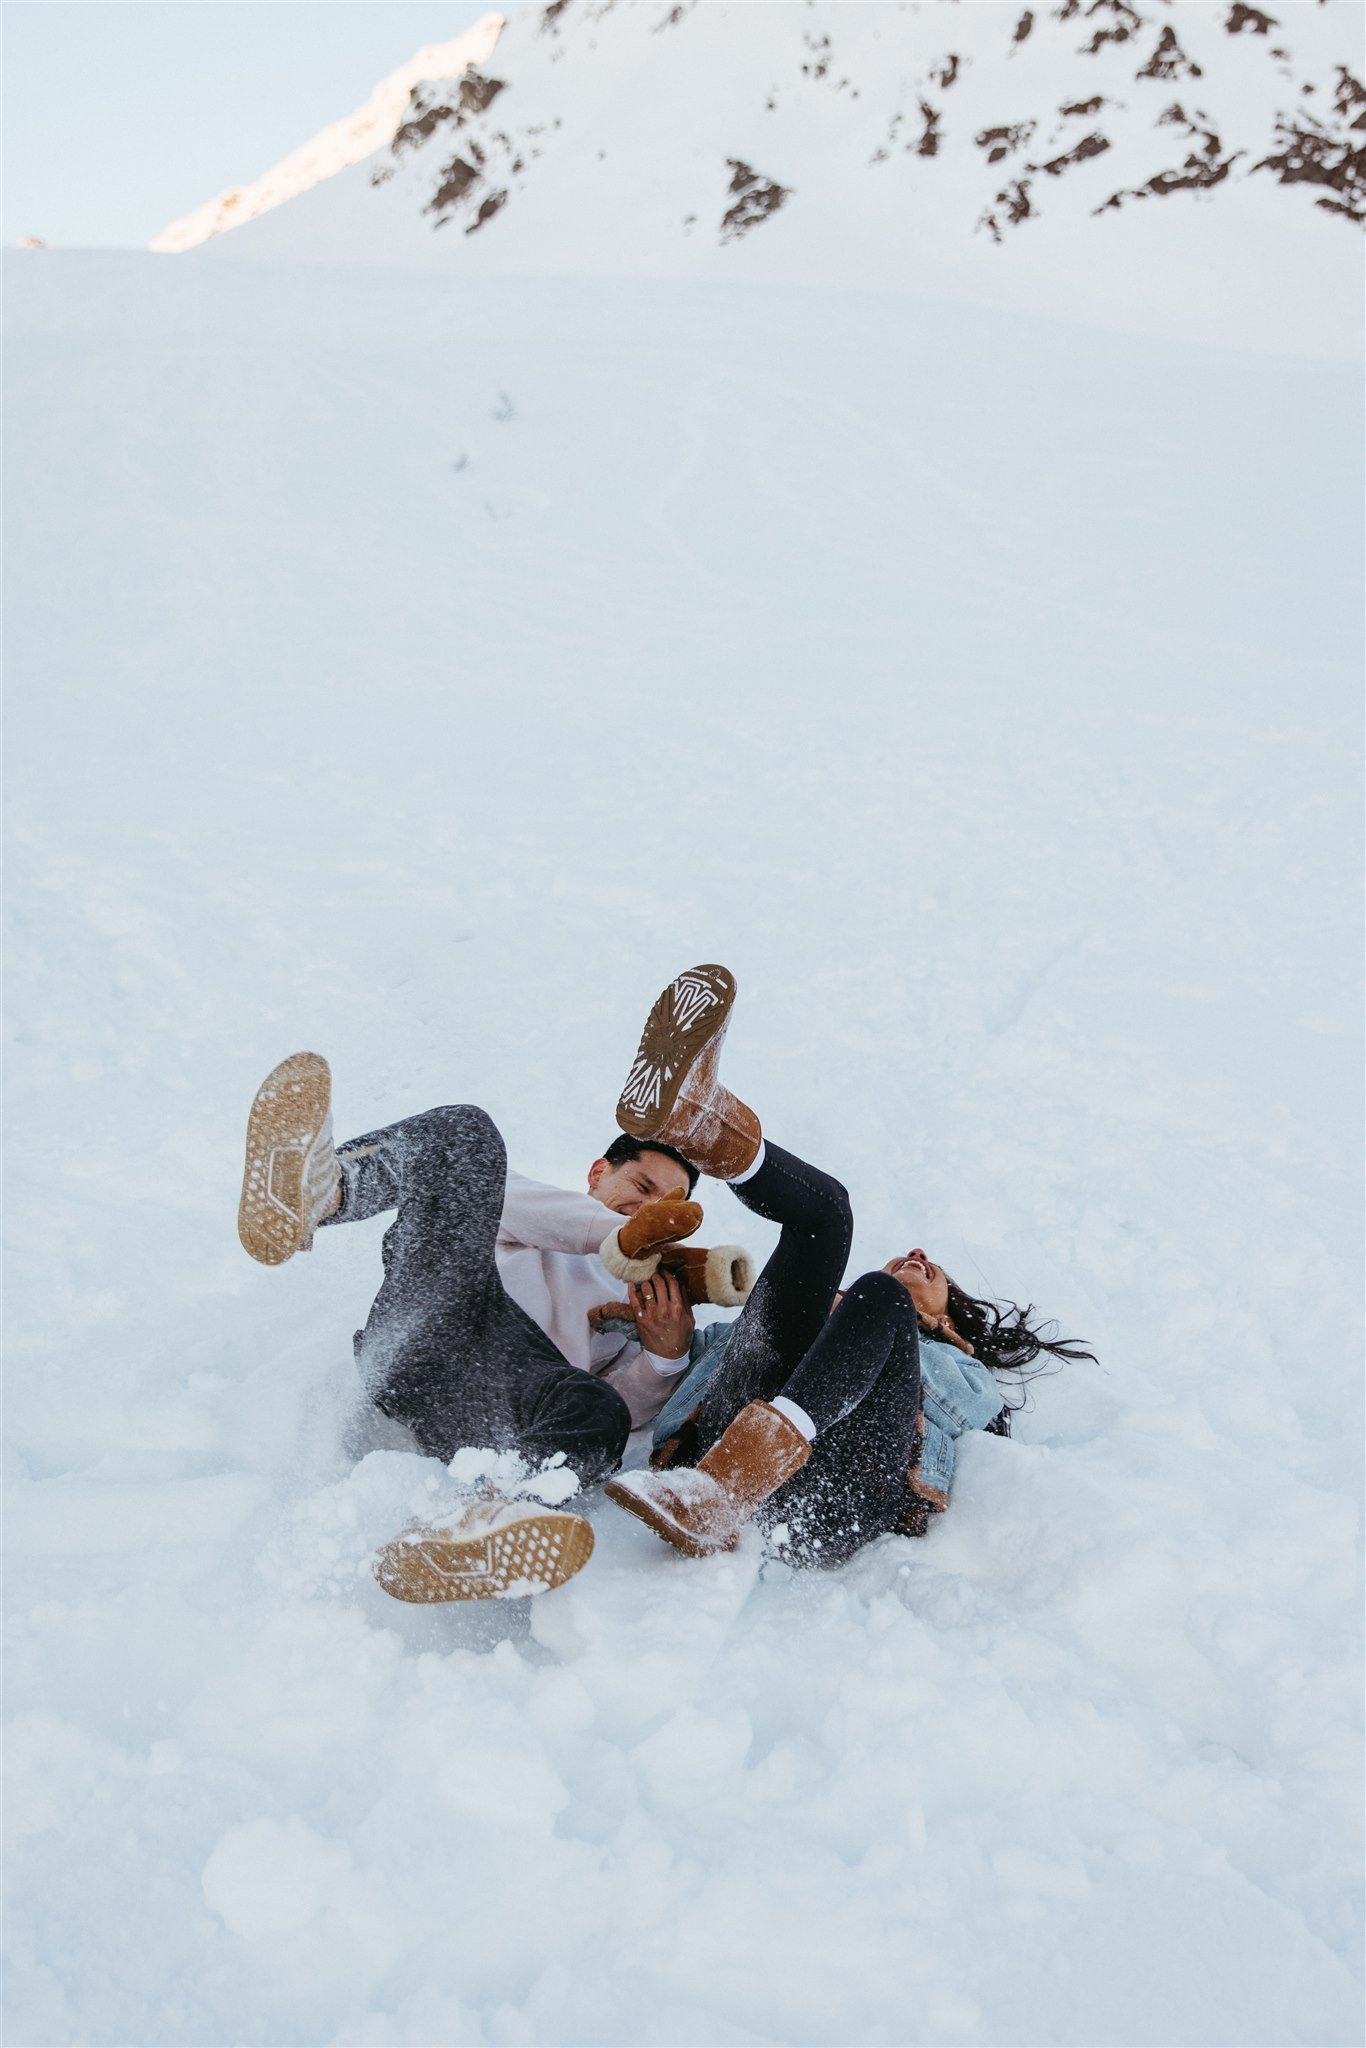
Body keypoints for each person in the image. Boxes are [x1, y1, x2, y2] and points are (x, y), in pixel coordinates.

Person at [235, 1029, 754, 1603]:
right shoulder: (540, 1210)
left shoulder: (655, 1292)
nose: (651, 1209)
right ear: (597, 1173)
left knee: (595, 1406)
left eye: (669, 1205)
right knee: (469, 1133)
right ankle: (320, 1194)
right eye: (641, 1185)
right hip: (438, 1320)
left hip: (499, 1396)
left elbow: (623, 1419)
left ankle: (492, 1514)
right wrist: (624, 1238)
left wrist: (664, 1354)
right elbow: (487, 1198)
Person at [603, 982, 1096, 1568]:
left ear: (944, 1315)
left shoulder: (957, 1369)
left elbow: (969, 1423)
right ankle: (700, 1121)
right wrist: (654, 1332)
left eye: (933, 1271)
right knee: (829, 1213)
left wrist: (894, 1321)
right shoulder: (834, 1308)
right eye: (910, 1257)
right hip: (707, 1457)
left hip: (831, 1499)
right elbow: (717, 1350)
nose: (915, 1252)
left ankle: (730, 1487)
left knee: (878, 1294)